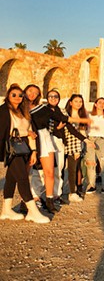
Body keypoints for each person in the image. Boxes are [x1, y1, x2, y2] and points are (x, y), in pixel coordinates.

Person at [23, 84, 90, 213]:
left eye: (35, 93)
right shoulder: (22, 108)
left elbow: (65, 121)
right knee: (35, 172)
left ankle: (52, 198)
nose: (53, 98)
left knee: (53, 171)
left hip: (48, 140)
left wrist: (83, 123)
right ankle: (32, 198)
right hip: (32, 141)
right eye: (51, 96)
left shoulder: (47, 109)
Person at [0, 85, 50, 223]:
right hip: (11, 147)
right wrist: (25, 133)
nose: (17, 97)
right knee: (22, 178)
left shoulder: (24, 112)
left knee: (11, 178)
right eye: (13, 95)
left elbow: (31, 132)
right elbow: (5, 131)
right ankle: (33, 211)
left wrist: (33, 151)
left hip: (24, 147)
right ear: (8, 96)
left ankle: (6, 210)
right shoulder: (4, 111)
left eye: (20, 95)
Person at [62, 94, 93, 202]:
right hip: (69, 143)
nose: (79, 103)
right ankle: (71, 192)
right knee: (70, 169)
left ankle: (74, 190)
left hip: (79, 143)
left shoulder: (82, 114)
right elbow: (71, 131)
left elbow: (82, 130)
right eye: (76, 101)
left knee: (76, 167)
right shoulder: (65, 113)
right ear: (70, 102)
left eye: (80, 101)